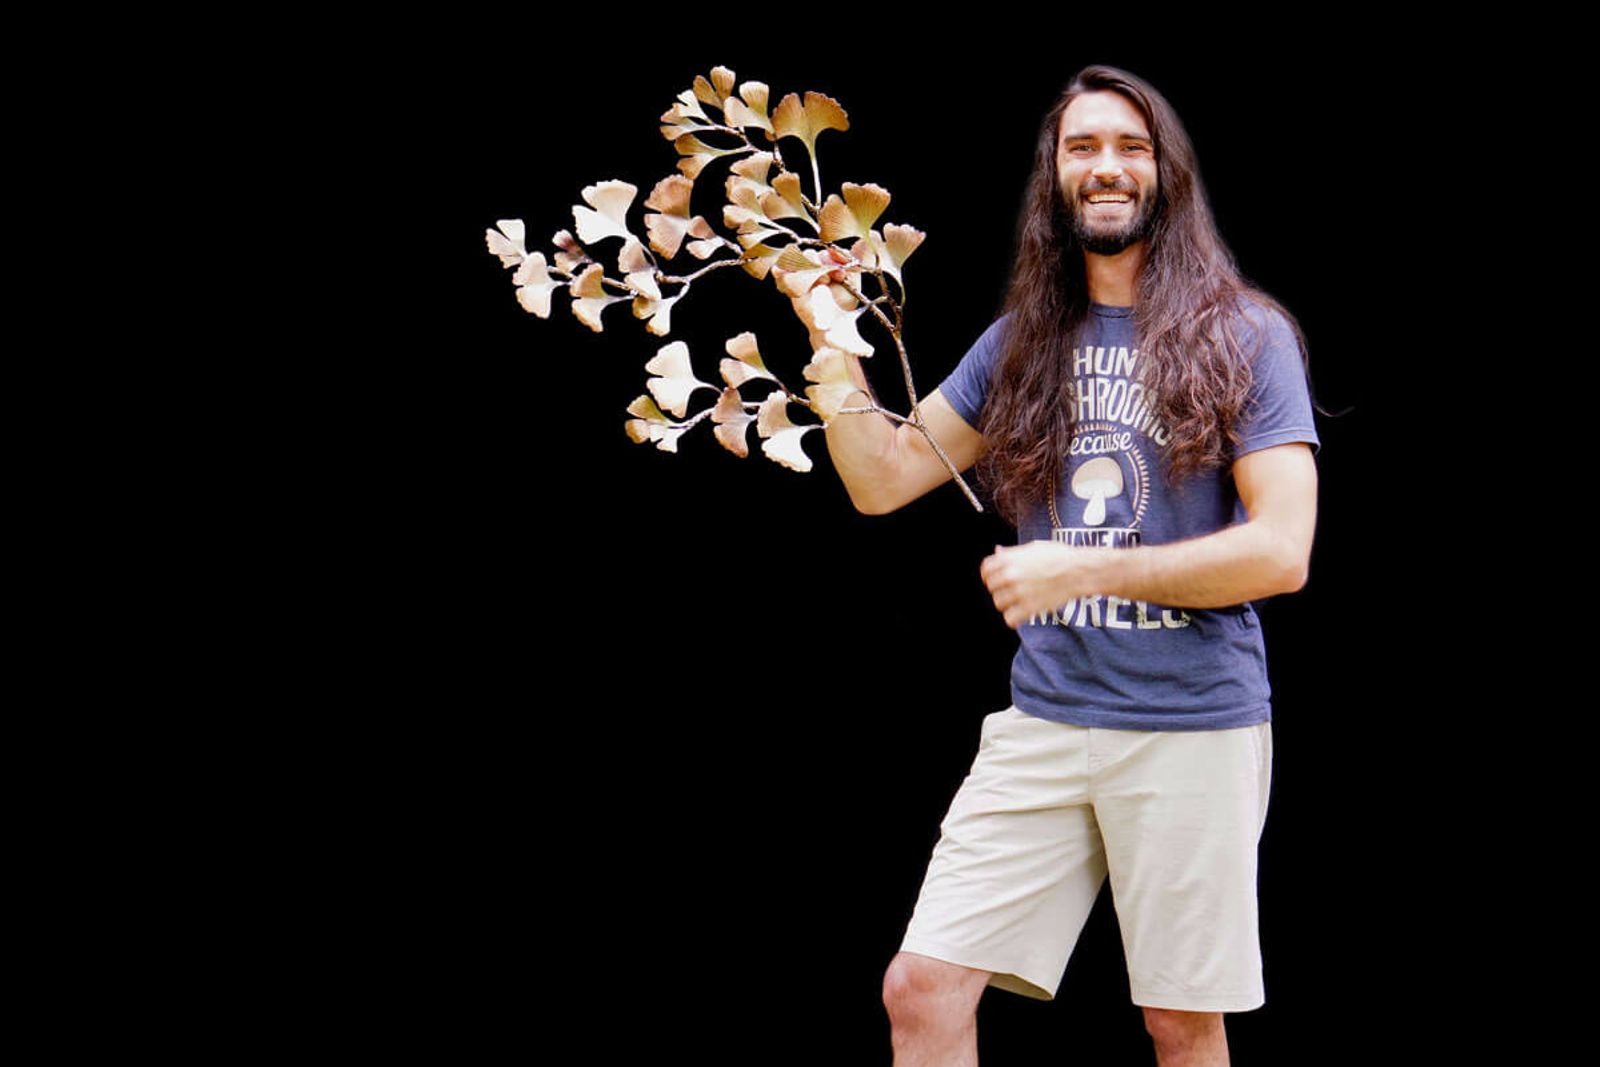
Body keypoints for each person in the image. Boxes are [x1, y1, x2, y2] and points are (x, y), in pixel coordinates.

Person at [821, 65, 1320, 1066]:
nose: (1105, 167)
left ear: (1165, 174)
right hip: (1047, 718)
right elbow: (881, 477)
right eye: (1081, 147)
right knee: (921, 986)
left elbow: (1281, 551)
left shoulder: (1246, 335)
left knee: (1180, 1024)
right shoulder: (1022, 345)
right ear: (1054, 178)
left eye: (1130, 147)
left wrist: (1080, 572)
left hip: (1191, 723)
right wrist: (829, 336)